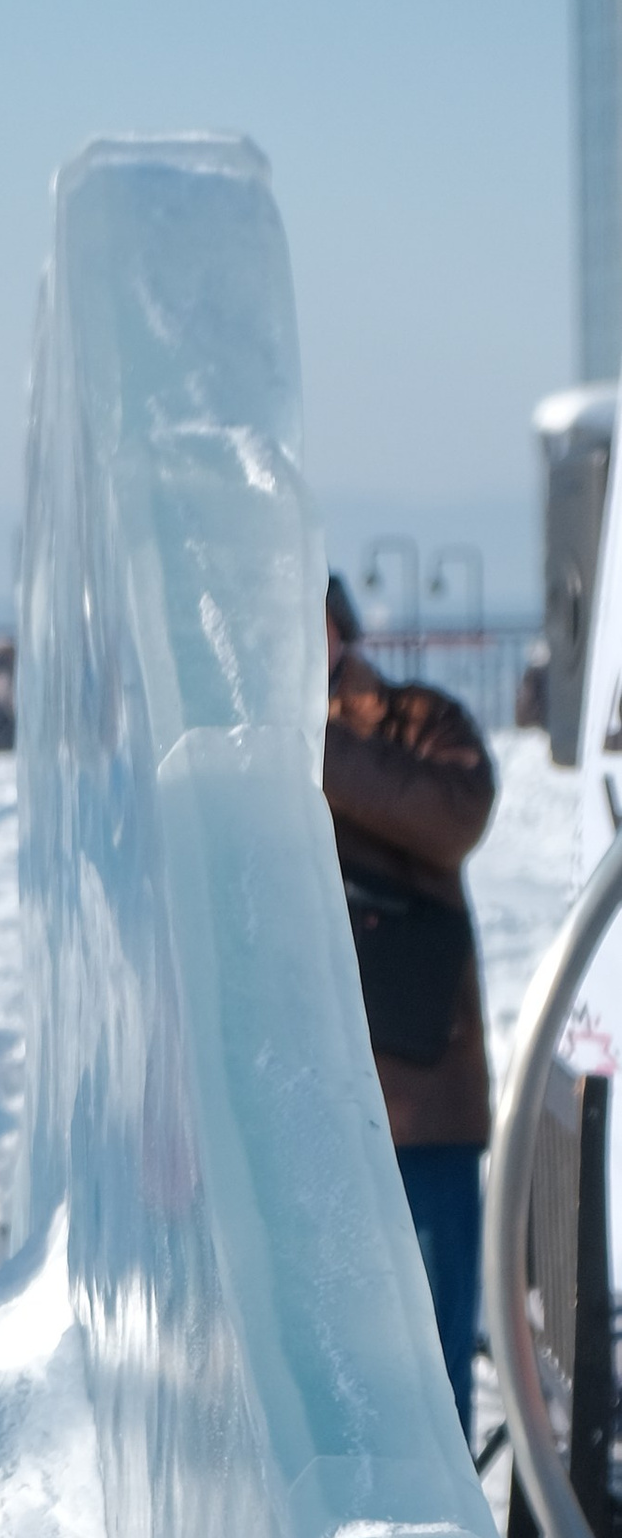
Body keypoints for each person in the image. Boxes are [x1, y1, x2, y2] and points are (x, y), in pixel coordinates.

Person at [323, 575, 496, 1433]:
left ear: (338, 628)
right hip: (307, 1106)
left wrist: (310, 745)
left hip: (419, 1105)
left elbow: (454, 816)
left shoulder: (421, 718)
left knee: (429, 1368)